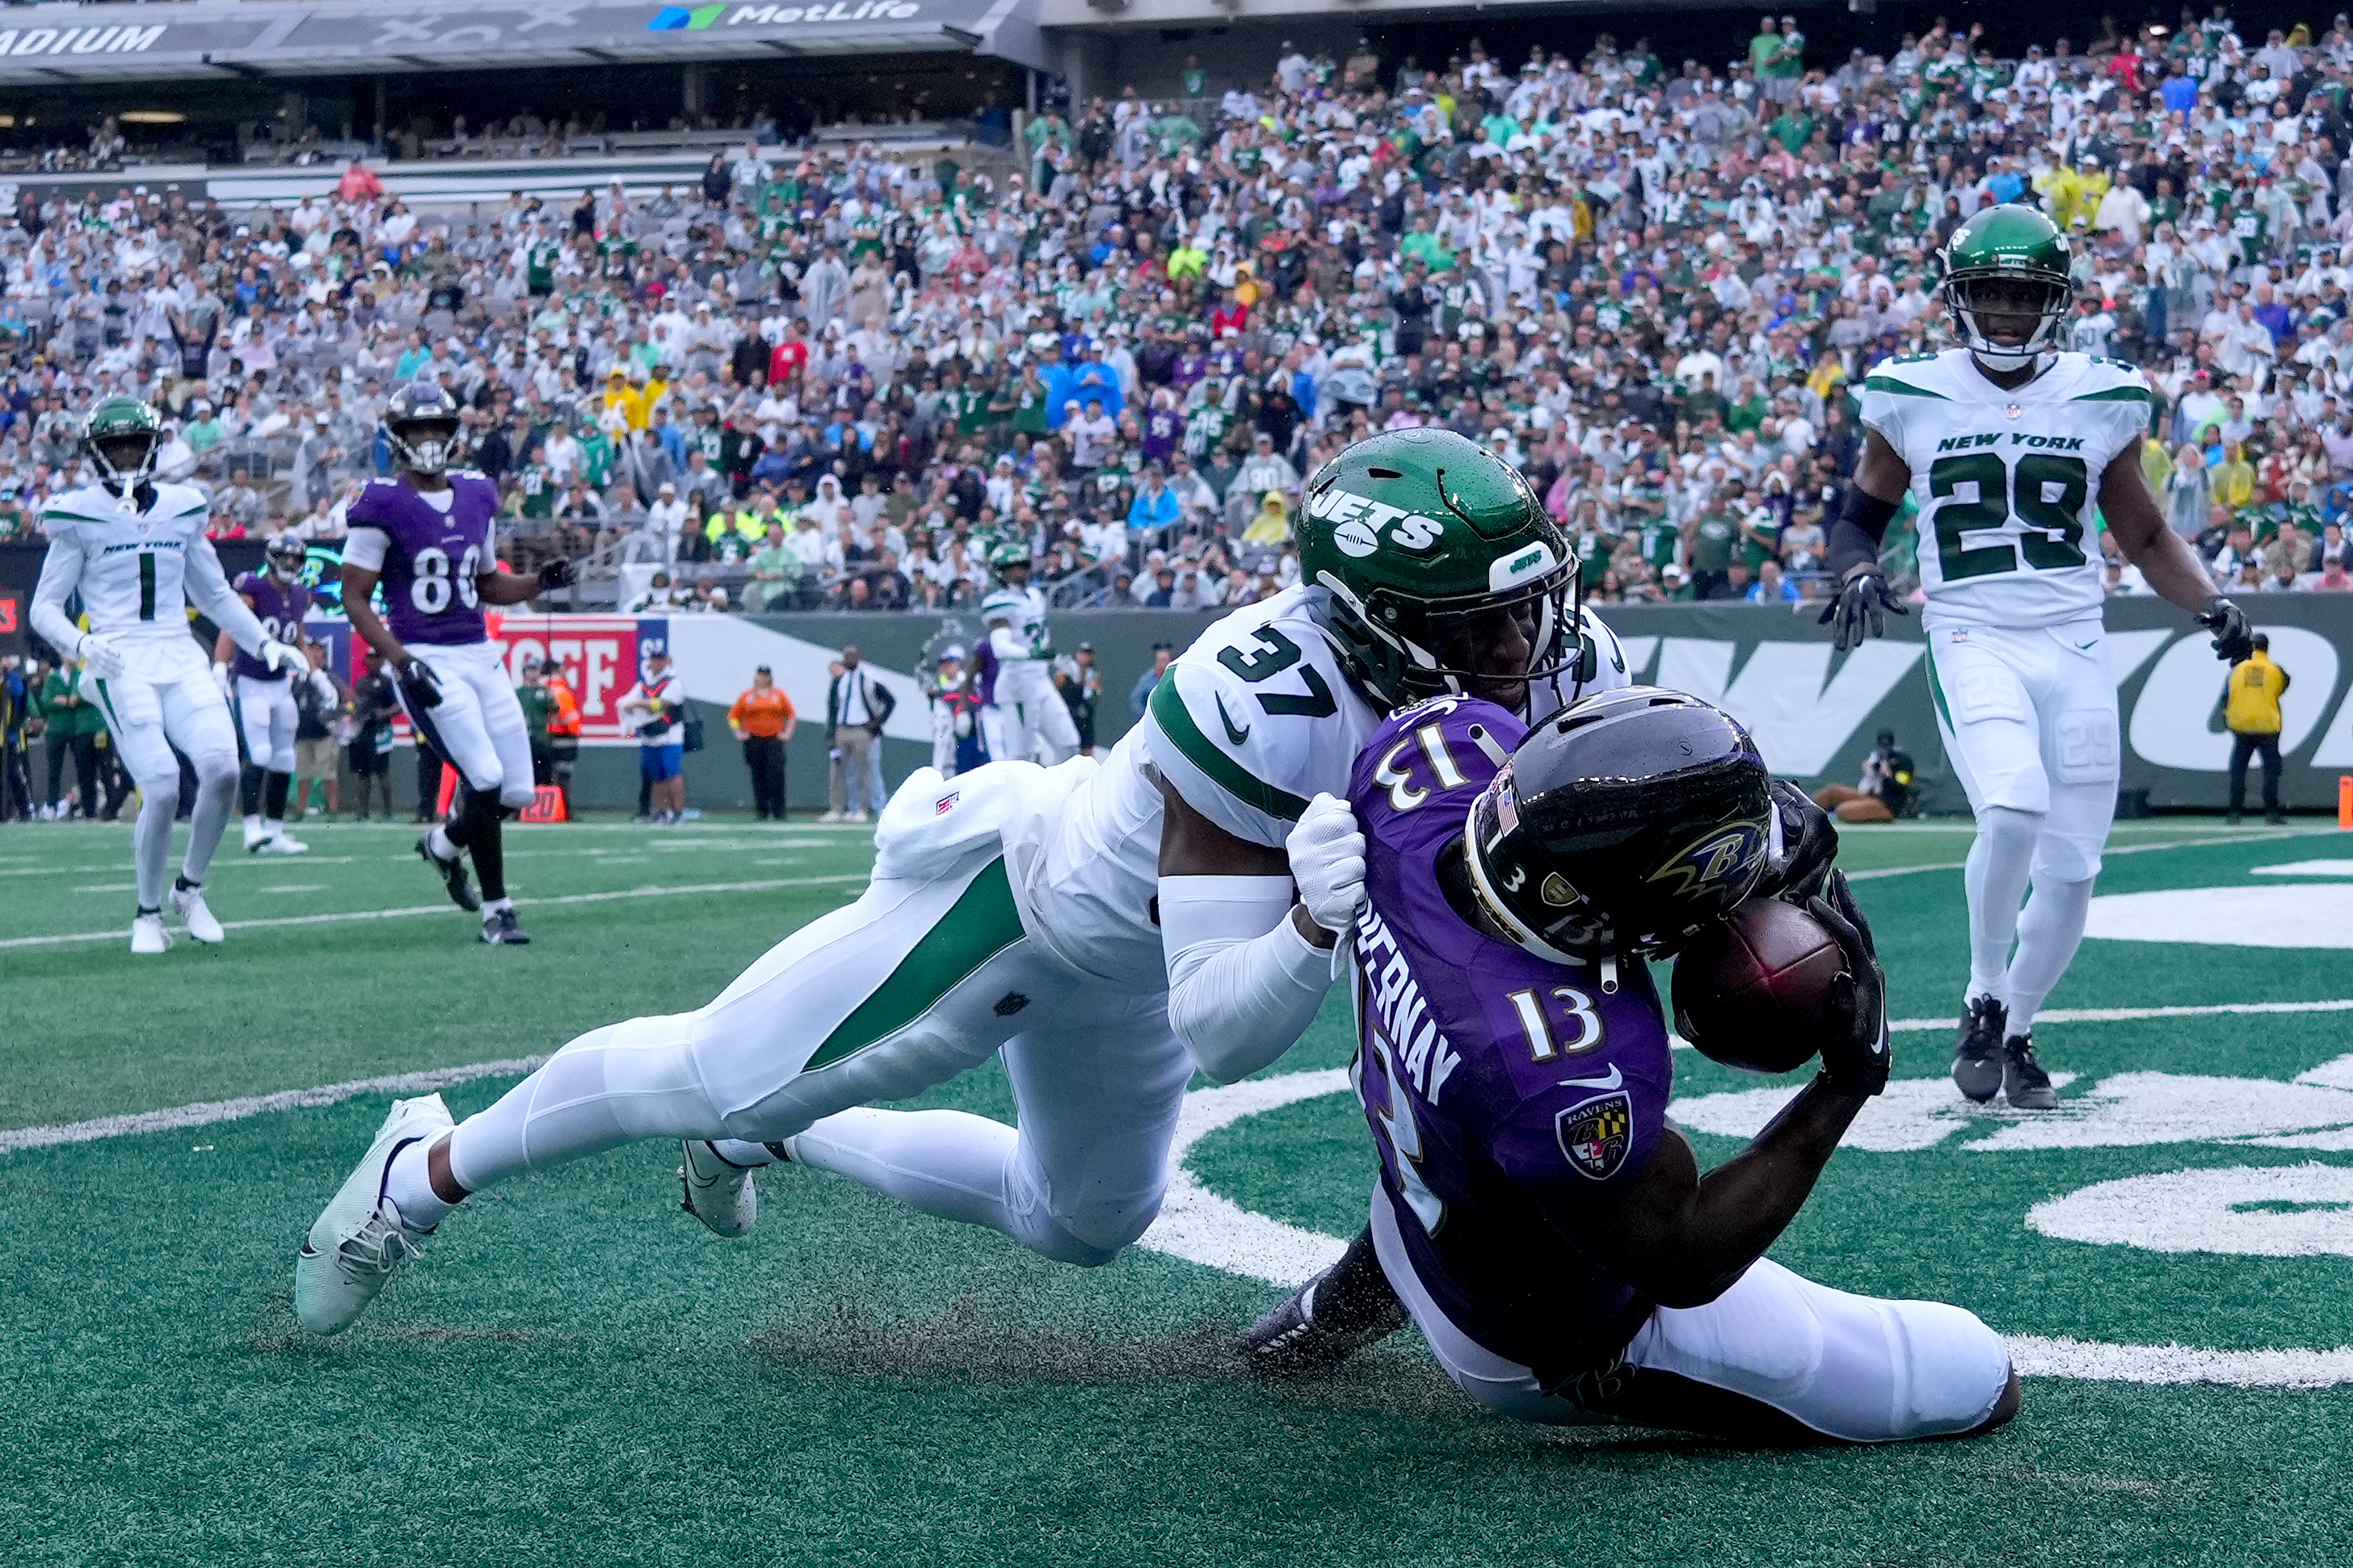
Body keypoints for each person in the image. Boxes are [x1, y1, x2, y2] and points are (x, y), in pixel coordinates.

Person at [287, 429, 1633, 1339]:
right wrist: (1308, 918)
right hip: (1031, 917)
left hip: (1143, 976)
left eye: (1527, 605)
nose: (1519, 647)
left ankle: (790, 1132)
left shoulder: (1567, 664)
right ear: (1364, 615)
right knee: (709, 1071)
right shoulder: (1261, 692)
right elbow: (1227, 1024)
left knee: (1087, 1222)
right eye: (1473, 624)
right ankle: (422, 1171)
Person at [1245, 687, 2018, 1445]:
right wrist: (1845, 1084)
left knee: (1478, 1154)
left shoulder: (1434, 756)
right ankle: (1574, 1367)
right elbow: (1681, 1260)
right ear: (1600, 914)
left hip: (1426, 1199)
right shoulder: (1563, 1069)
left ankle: (1336, 1305)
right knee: (1975, 1374)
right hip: (1535, 1334)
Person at [1825, 207, 2254, 1112]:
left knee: (2072, 866)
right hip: (1972, 632)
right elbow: (1859, 517)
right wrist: (1857, 567)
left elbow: (2140, 532)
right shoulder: (1909, 390)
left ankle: (2016, 1032)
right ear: (1958, 298)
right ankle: (1981, 993)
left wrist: (2209, 602)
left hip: (2074, 640)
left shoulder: (2101, 394)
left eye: (2023, 294)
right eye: (1989, 292)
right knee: (2012, 804)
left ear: (2054, 300)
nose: (2007, 312)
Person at [27, 397, 301, 953]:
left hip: (178, 652)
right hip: (118, 658)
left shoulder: (182, 506)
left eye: (135, 444)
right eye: (115, 446)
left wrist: (266, 643)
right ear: (95, 453)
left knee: (223, 770)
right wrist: (82, 643)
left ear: (153, 448)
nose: (126, 456)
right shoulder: (77, 513)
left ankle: (189, 889)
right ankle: (146, 913)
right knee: (161, 784)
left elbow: (217, 596)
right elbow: (42, 608)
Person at [339, 381, 573, 946]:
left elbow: (488, 582)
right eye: (418, 428)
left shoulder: (476, 493)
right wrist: (400, 659)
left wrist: (539, 581)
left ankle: (444, 845)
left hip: (479, 653)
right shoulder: (380, 503)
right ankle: (499, 910)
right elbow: (354, 597)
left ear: (453, 434)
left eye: (438, 428)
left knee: (516, 791)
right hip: (425, 655)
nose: (429, 438)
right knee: (485, 778)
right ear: (397, 436)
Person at [215, 531, 333, 855]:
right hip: (251, 680)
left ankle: (276, 831)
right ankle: (251, 828)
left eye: (296, 559)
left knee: (284, 757)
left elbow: (298, 639)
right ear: (271, 558)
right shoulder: (253, 588)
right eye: (285, 558)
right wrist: (221, 665)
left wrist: (318, 674)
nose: (290, 564)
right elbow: (232, 625)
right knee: (260, 753)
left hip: (280, 684)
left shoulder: (299, 595)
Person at [978, 540, 1082, 766]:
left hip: (1040, 681)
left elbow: (1039, 639)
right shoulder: (999, 603)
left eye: (1023, 565)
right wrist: (1031, 654)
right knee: (1021, 760)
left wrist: (1057, 660)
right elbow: (1000, 647)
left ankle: (1058, 795)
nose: (1020, 571)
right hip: (1018, 687)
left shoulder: (1035, 596)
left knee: (1069, 745)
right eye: (1013, 567)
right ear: (1000, 572)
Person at [618, 645, 688, 826]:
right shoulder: (645, 682)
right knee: (655, 774)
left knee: (671, 769)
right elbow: (627, 701)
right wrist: (629, 705)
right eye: (654, 659)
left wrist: (638, 704)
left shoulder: (673, 682)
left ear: (667, 661)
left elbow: (663, 704)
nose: (656, 662)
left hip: (670, 733)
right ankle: (661, 811)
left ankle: (678, 812)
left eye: (660, 659)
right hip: (651, 734)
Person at [2224, 632, 2290, 825]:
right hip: (2267, 726)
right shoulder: (2275, 670)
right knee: (2271, 770)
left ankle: (2235, 813)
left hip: (2242, 725)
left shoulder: (2236, 670)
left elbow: (2227, 695)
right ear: (2267, 648)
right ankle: (2272, 813)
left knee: (2238, 770)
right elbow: (2282, 687)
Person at [822, 644, 892, 823]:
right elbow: (832, 708)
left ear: (859, 657)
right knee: (838, 770)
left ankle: (862, 808)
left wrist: (877, 722)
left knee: (864, 771)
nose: (849, 660)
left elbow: (890, 700)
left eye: (852, 656)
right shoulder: (839, 680)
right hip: (842, 729)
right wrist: (831, 735)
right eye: (846, 656)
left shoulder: (868, 678)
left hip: (862, 729)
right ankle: (837, 808)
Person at [37, 651, 102, 821]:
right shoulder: (53, 677)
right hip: (56, 730)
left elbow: (78, 697)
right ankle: (52, 806)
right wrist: (66, 701)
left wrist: (62, 700)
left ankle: (89, 808)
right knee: (54, 770)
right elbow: (46, 701)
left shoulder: (79, 675)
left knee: (84, 769)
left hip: (76, 729)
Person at [729, 663, 796, 821]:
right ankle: (762, 811)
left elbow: (791, 715)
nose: (763, 678)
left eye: (766, 675)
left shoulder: (778, 695)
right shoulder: (748, 695)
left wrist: (787, 733)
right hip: (754, 739)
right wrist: (738, 732)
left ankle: (779, 811)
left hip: (774, 739)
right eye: (761, 675)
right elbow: (733, 716)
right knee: (758, 774)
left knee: (776, 774)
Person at [1810, 729, 1915, 822]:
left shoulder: (1903, 762)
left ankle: (1836, 814)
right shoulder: (1876, 757)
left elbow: (1902, 786)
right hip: (1869, 796)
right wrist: (1870, 769)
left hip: (1887, 804)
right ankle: (1802, 812)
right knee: (1832, 792)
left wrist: (1889, 775)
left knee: (1844, 810)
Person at [292, 645, 347, 820]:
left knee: (328, 773)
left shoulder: (329, 678)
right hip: (303, 733)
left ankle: (333, 808)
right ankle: (301, 809)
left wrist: (332, 719)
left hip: (323, 733)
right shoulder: (300, 678)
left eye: (316, 653)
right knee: (304, 773)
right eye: (310, 653)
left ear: (323, 656)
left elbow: (344, 700)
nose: (313, 656)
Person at [347, 649, 400, 822]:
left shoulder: (386, 682)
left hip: (381, 731)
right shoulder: (361, 682)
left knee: (382, 772)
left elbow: (399, 705)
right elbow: (356, 706)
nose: (374, 661)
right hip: (363, 731)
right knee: (363, 774)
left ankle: (388, 811)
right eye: (371, 657)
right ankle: (362, 812)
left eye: (377, 657)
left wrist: (384, 713)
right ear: (365, 661)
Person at [927, 645, 986, 778]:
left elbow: (975, 701)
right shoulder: (940, 685)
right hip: (949, 735)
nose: (945, 668)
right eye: (943, 664)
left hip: (970, 734)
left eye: (949, 663)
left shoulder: (969, 681)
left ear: (958, 663)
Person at [1058, 642, 1101, 757]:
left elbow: (1094, 698)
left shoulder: (1093, 675)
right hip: (1070, 716)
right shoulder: (1067, 673)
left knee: (1087, 749)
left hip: (1086, 720)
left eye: (1088, 655)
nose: (1085, 658)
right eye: (1083, 654)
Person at [1128, 641, 1173, 719]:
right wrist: (1146, 716)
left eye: (1167, 660)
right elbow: (1135, 699)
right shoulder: (1147, 680)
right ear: (1156, 662)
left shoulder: (1174, 676)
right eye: (1162, 660)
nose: (1165, 663)